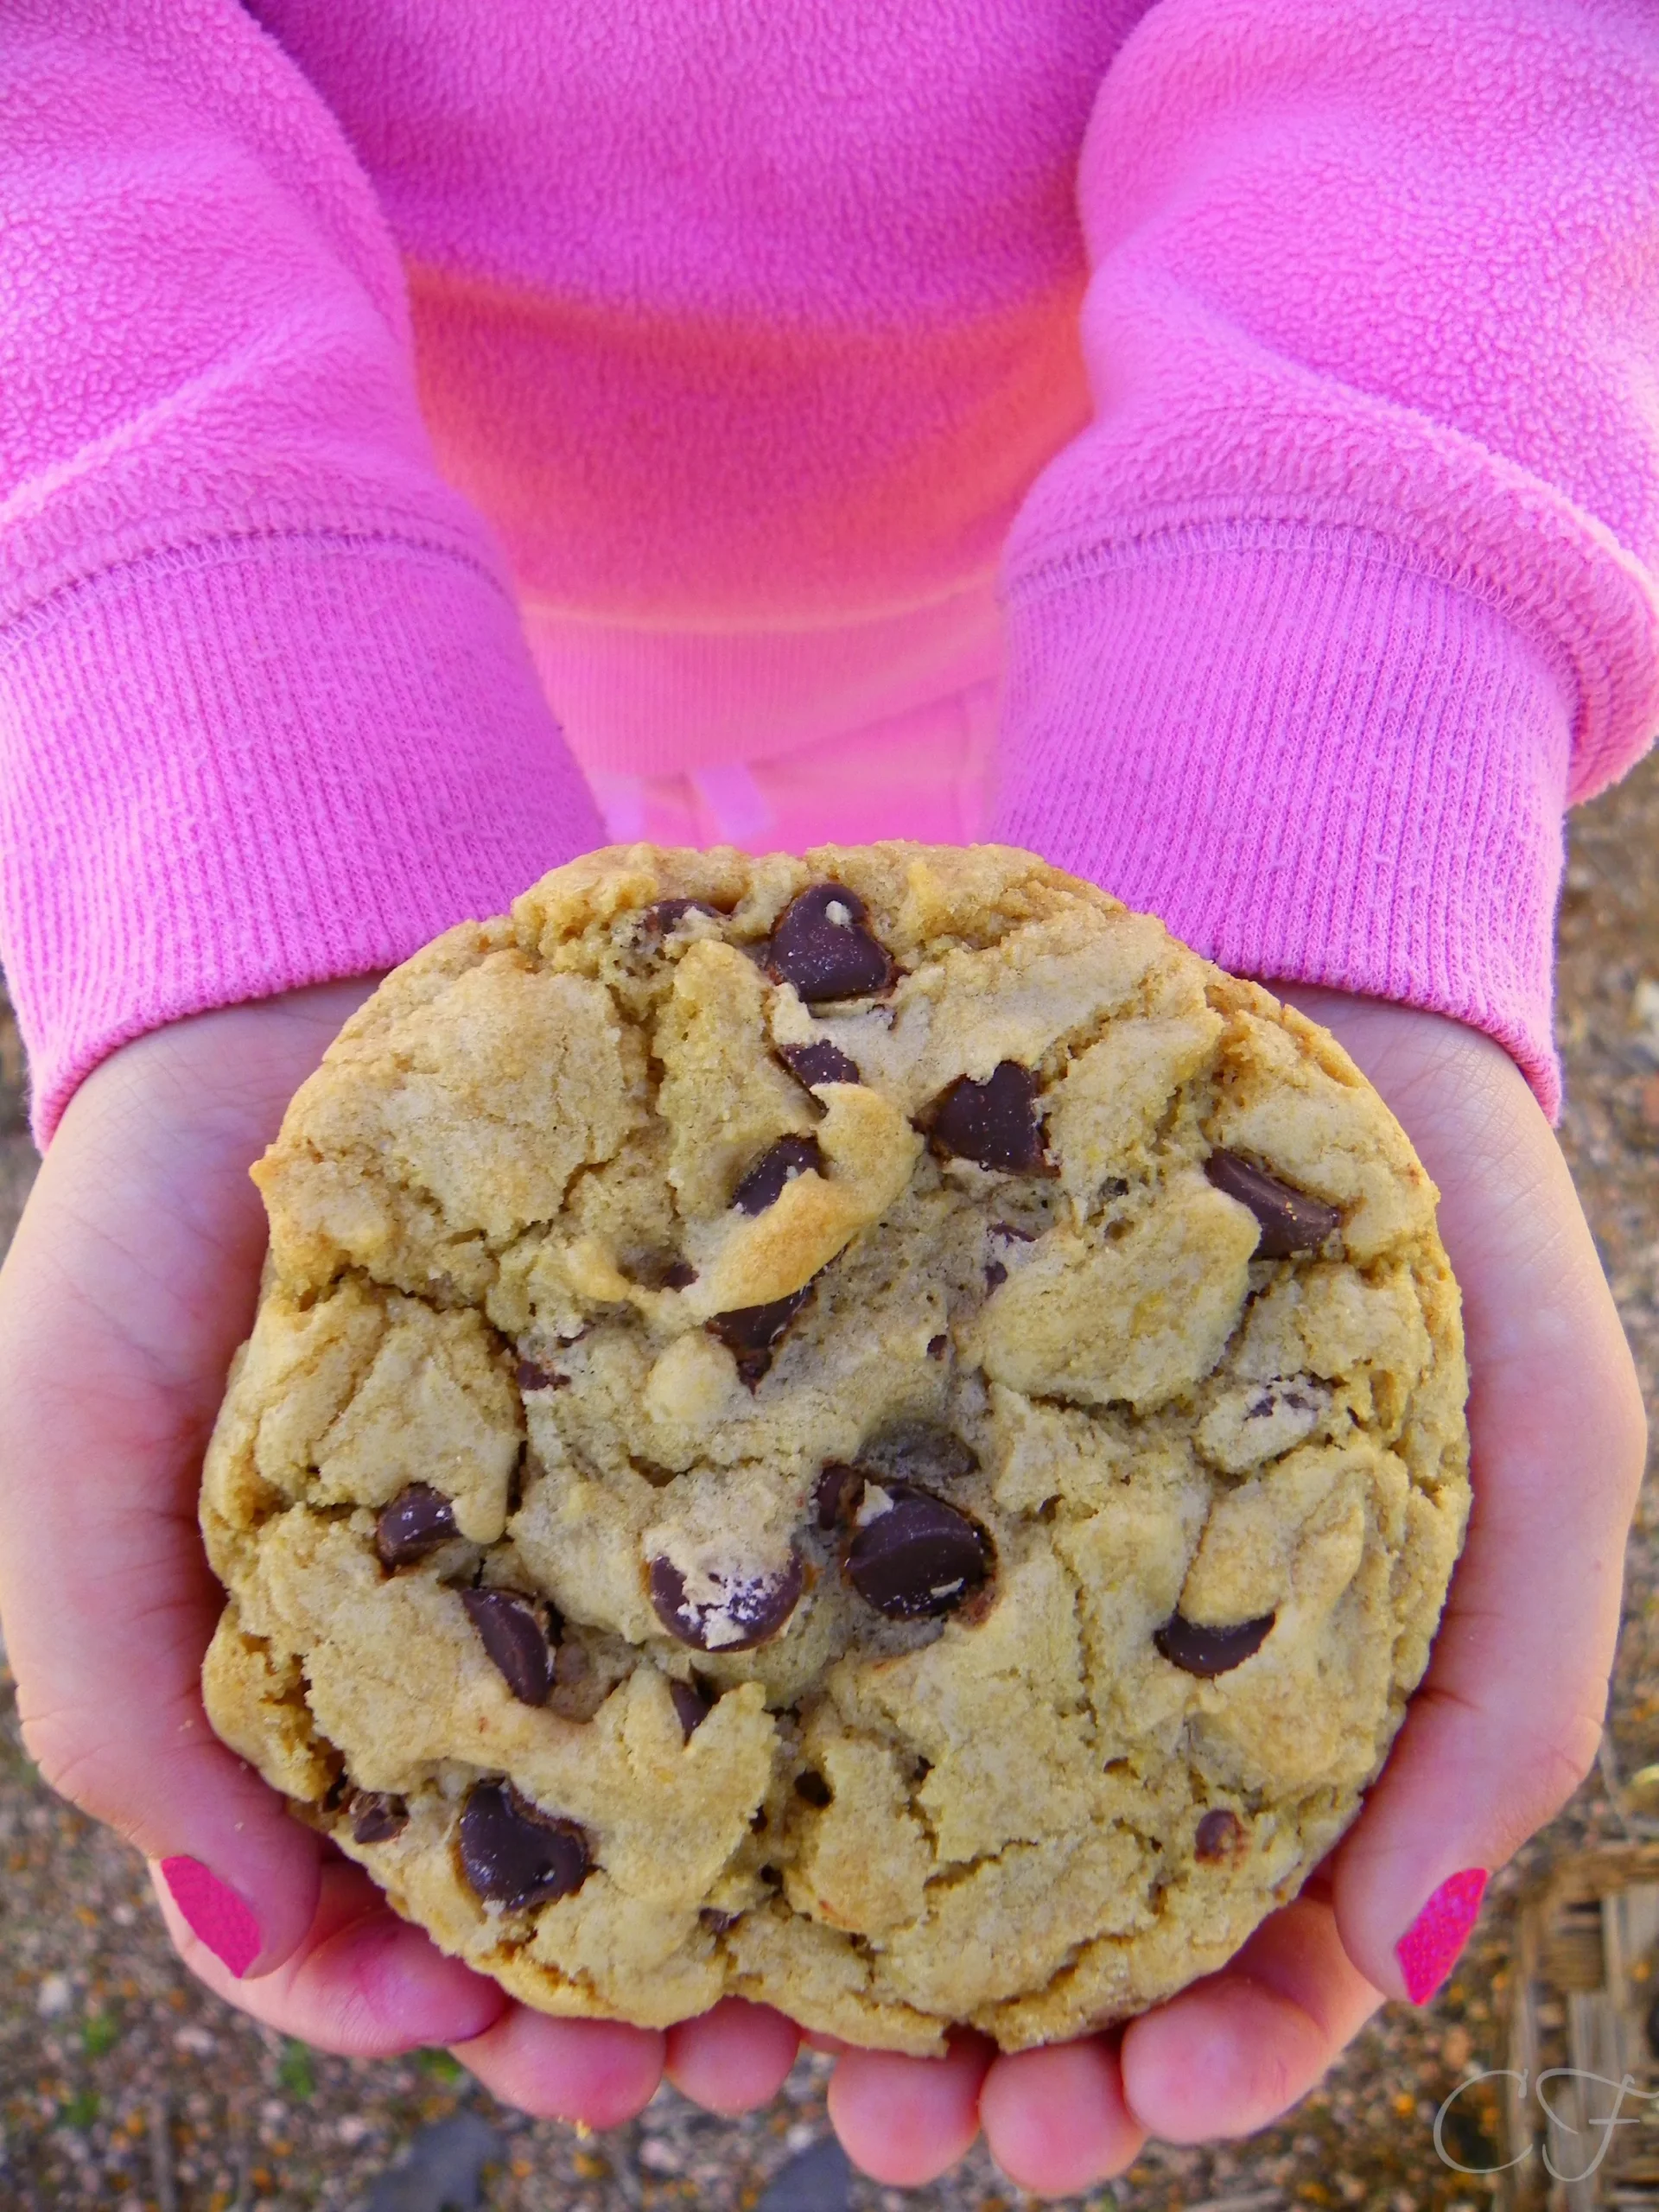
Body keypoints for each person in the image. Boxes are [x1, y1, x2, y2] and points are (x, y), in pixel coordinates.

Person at [0, 0, 1649, 2193]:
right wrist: (210, 715)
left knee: (906, 977)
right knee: (712, 979)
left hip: (1138, 514)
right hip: (350, 556)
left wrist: (1327, 707)